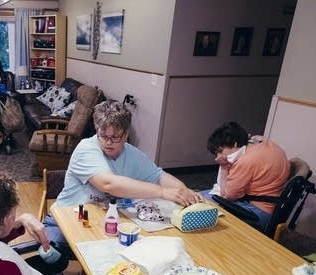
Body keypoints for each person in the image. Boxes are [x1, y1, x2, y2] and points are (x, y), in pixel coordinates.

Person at [46, 100, 203, 252]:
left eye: (115, 137)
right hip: (64, 220)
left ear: (126, 134)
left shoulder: (132, 154)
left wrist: (184, 191)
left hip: (100, 222)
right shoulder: (86, 148)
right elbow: (109, 184)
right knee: (52, 256)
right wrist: (161, 192)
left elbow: (159, 176)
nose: (108, 142)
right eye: (103, 135)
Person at [204, 121, 290, 229]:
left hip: (258, 211)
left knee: (200, 200)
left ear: (235, 143)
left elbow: (226, 196)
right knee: (198, 195)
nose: (218, 156)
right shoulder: (262, 141)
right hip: (273, 205)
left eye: (220, 151)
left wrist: (224, 166)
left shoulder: (245, 161)